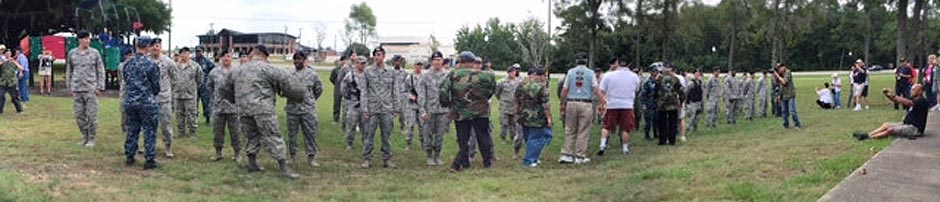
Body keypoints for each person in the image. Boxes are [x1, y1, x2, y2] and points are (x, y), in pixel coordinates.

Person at [218, 45, 306, 179]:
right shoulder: (269, 68)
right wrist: (298, 97)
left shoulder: (238, 70)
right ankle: (283, 168)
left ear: (252, 54)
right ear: (265, 55)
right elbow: (291, 85)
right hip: (263, 109)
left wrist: (236, 100)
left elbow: (223, 88)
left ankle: (252, 162)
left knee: (252, 136)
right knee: (273, 136)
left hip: (243, 110)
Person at [441, 51, 497, 172]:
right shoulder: (487, 76)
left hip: (460, 112)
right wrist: (483, 100)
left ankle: (464, 163)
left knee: (463, 139)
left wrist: (448, 104)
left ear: (460, 62)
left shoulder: (453, 75)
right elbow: (491, 91)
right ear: (473, 62)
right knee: (483, 137)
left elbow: (444, 93)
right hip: (481, 111)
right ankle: (487, 162)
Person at [121, 36, 162, 170]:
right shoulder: (151, 65)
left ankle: (129, 156)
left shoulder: (127, 64)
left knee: (132, 129)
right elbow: (156, 86)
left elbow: (126, 81)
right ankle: (149, 160)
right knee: (149, 130)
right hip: (146, 102)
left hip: (130, 101)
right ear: (148, 47)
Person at [558, 52, 606, 164]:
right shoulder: (590, 73)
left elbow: (564, 89)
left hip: (571, 102)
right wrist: (602, 102)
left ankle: (567, 154)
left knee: (570, 129)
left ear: (576, 61)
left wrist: (562, 104)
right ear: (586, 61)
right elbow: (596, 89)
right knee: (583, 130)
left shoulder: (570, 72)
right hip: (586, 103)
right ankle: (580, 156)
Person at [360, 46, 400, 169]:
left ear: (384, 56)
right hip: (372, 109)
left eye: (379, 55)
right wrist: (365, 108)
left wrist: (396, 108)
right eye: (375, 55)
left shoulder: (391, 72)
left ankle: (387, 159)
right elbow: (364, 91)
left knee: (386, 136)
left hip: (387, 108)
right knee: (368, 135)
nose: (377, 57)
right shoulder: (368, 72)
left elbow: (395, 90)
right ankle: (367, 159)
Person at [66, 31, 106, 148]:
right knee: (79, 116)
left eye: (88, 39)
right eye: (85, 39)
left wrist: (100, 86)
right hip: (77, 89)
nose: (87, 41)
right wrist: (69, 86)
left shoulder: (95, 53)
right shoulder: (72, 54)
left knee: (92, 115)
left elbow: (100, 70)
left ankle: (91, 138)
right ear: (79, 40)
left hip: (91, 89)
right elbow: (69, 70)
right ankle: (85, 136)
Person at [285, 52, 323, 167]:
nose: (297, 62)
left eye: (299, 59)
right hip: (292, 110)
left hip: (307, 110)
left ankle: (311, 157)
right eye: (295, 59)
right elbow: (285, 89)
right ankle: (292, 157)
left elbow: (318, 89)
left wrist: (310, 100)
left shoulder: (312, 74)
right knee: (292, 135)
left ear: (305, 60)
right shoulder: (289, 74)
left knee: (310, 133)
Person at [597, 57, 640, 155]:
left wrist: (601, 104)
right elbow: (637, 89)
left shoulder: (608, 75)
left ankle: (602, 145)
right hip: (627, 105)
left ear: (618, 64)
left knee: (606, 126)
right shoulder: (634, 76)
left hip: (612, 104)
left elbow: (602, 90)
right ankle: (625, 148)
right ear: (629, 64)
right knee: (625, 128)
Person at [853, 84, 929, 140]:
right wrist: (889, 96)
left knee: (890, 130)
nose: (911, 91)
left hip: (914, 129)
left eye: (913, 90)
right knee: (886, 125)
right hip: (906, 124)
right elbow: (897, 100)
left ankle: (868, 138)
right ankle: (867, 134)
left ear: (920, 91)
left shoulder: (922, 100)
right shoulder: (914, 99)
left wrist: (893, 95)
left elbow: (907, 102)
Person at [515, 66, 553, 167]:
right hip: (537, 117)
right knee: (538, 137)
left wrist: (517, 113)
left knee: (528, 137)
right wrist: (549, 118)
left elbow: (516, 99)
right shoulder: (542, 87)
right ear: (541, 76)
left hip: (523, 115)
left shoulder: (522, 84)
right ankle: (530, 160)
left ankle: (533, 156)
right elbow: (545, 105)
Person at [207, 51, 241, 163]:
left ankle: (237, 153)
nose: (226, 58)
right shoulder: (214, 72)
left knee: (235, 132)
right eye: (224, 56)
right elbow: (209, 86)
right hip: (218, 107)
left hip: (233, 108)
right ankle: (218, 153)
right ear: (220, 58)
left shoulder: (237, 71)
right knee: (217, 132)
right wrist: (216, 97)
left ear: (231, 58)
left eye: (228, 56)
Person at [418, 51, 449, 166]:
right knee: (428, 134)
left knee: (440, 135)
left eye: (439, 59)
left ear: (442, 61)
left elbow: (450, 93)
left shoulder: (447, 75)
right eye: (435, 60)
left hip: (443, 110)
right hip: (429, 110)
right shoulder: (425, 75)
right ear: (432, 61)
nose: (437, 62)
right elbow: (421, 94)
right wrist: (422, 111)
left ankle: (437, 156)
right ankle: (429, 156)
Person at [149, 38, 178, 158]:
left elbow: (175, 78)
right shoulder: (146, 61)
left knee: (166, 125)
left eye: (157, 46)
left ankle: (168, 147)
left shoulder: (168, 61)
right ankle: (150, 147)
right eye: (153, 46)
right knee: (149, 126)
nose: (155, 48)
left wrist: (168, 90)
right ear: (150, 47)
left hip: (164, 99)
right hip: (149, 99)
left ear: (160, 47)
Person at [174, 47, 203, 139]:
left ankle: (192, 132)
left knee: (191, 114)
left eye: (186, 53)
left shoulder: (195, 66)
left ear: (189, 54)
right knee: (179, 114)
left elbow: (200, 80)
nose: (184, 55)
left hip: (190, 95)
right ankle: (181, 132)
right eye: (182, 53)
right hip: (178, 95)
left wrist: (192, 88)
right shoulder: (175, 66)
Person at [653, 63, 684, 145]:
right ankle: (672, 140)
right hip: (673, 104)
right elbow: (681, 91)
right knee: (672, 123)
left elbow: (655, 91)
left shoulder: (659, 79)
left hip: (662, 104)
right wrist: (681, 100)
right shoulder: (675, 79)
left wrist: (655, 100)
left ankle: (662, 140)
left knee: (662, 123)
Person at [341, 56, 368, 151]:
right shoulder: (350, 75)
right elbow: (344, 89)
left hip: (365, 105)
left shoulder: (368, 76)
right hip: (353, 104)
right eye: (360, 63)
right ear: (356, 64)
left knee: (365, 126)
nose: (363, 65)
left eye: (364, 63)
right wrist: (349, 100)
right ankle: (349, 144)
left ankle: (366, 144)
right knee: (351, 125)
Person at [496, 65, 522, 157]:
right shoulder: (502, 82)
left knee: (514, 124)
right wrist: (502, 100)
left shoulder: (519, 82)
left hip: (514, 106)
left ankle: (513, 138)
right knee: (504, 124)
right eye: (511, 72)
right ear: (508, 73)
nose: (513, 74)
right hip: (504, 106)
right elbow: (497, 93)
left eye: (514, 72)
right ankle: (503, 138)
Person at [401, 60, 423, 152]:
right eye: (417, 64)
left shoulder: (425, 77)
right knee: (410, 126)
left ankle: (424, 144)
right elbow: (404, 90)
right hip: (411, 105)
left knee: (423, 126)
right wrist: (411, 96)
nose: (419, 67)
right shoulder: (409, 78)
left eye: (420, 65)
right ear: (414, 65)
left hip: (422, 106)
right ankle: (408, 144)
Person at [774, 63, 802, 129]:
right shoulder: (780, 74)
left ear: (783, 67)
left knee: (792, 110)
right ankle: (786, 125)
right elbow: (779, 85)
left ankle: (797, 124)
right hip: (783, 95)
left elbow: (784, 82)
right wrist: (779, 95)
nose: (779, 70)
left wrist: (777, 76)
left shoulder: (788, 72)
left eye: (779, 68)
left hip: (790, 95)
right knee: (784, 111)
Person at [194, 48, 216, 124]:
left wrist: (209, 78)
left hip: (204, 86)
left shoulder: (207, 61)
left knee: (206, 102)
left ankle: (208, 118)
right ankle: (194, 118)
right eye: (196, 51)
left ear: (202, 52)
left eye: (199, 51)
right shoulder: (193, 61)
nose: (198, 53)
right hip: (195, 85)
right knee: (194, 103)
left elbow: (214, 69)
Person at [0, 48, 24, 114]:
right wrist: (4, 61)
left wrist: (14, 62)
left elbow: (21, 68)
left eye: (9, 54)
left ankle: (19, 110)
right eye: (7, 54)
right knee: (1, 96)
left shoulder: (14, 61)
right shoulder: (2, 61)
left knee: (14, 97)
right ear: (4, 54)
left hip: (12, 82)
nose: (8, 55)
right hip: (3, 82)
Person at [640, 65, 660, 139]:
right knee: (648, 120)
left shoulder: (659, 81)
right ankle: (647, 134)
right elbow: (643, 94)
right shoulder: (647, 82)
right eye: (654, 71)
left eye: (656, 71)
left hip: (656, 103)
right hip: (649, 103)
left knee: (657, 119)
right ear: (651, 72)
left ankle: (656, 133)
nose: (655, 73)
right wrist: (644, 104)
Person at [330, 54, 351, 123]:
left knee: (348, 105)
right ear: (340, 61)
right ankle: (336, 119)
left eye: (346, 60)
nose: (344, 62)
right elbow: (332, 78)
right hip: (338, 89)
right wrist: (337, 84)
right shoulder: (336, 69)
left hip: (347, 89)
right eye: (343, 60)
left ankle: (347, 119)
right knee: (336, 104)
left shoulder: (349, 69)